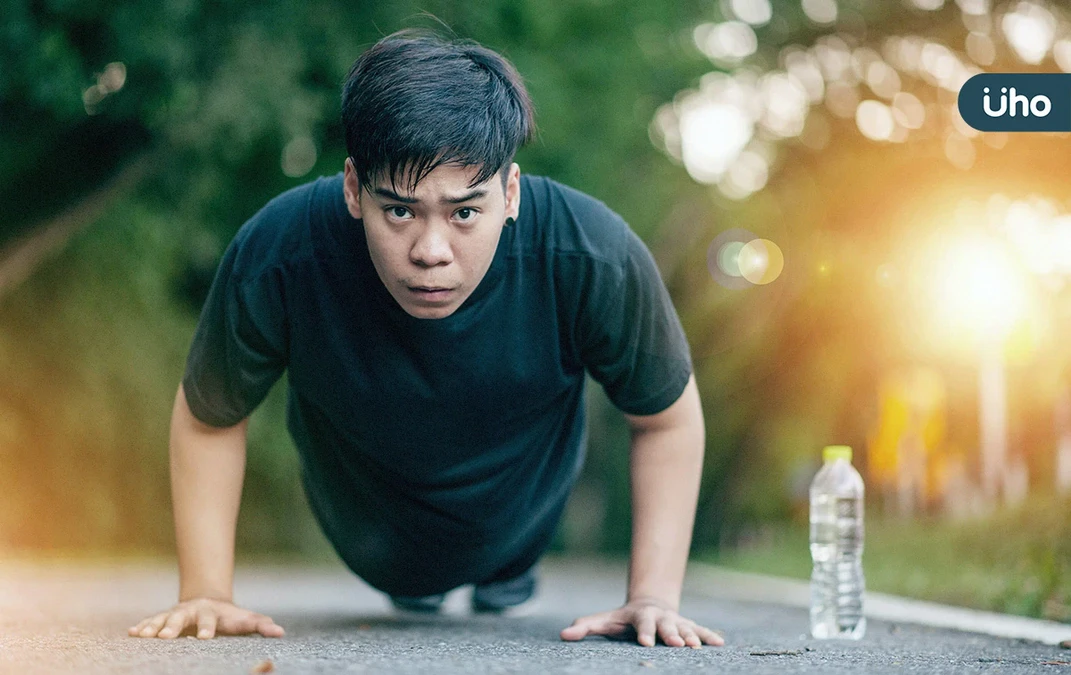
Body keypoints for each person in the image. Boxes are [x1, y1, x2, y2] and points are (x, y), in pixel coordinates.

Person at [127, 28, 723, 650]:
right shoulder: (281, 252)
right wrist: (206, 591)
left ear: (510, 193)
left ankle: (505, 575)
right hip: (371, 528)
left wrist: (653, 596)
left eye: (464, 212)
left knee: (502, 569)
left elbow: (665, 420)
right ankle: (422, 582)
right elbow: (209, 417)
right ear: (354, 190)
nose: (431, 253)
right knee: (409, 581)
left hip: (518, 515)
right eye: (401, 212)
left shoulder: (591, 255)